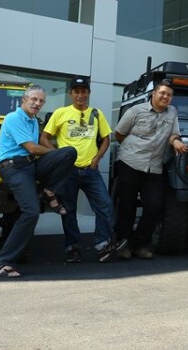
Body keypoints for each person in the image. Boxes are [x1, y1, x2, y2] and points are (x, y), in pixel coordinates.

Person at [41, 76, 128, 263]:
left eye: (84, 91)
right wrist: (58, 157)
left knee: (104, 205)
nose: (80, 95)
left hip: (91, 170)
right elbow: (44, 138)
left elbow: (106, 138)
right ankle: (72, 247)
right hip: (69, 172)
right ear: (70, 93)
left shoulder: (97, 114)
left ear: (88, 93)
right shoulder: (60, 113)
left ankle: (102, 244)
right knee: (69, 210)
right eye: (76, 91)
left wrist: (97, 159)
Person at [0, 86, 77, 278]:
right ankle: (3, 263)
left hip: (30, 166)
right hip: (13, 167)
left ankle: (50, 191)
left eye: (41, 101)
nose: (37, 104)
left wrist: (57, 156)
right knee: (30, 212)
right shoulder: (14, 118)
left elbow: (38, 149)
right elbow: (32, 148)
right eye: (34, 100)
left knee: (69, 153)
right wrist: (54, 153)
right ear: (24, 99)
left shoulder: (32, 121)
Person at [113, 79, 188, 259]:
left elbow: (173, 134)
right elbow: (119, 133)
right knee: (127, 205)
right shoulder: (135, 111)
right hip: (129, 163)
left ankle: (139, 245)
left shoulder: (172, 112)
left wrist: (176, 141)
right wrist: (134, 150)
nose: (165, 97)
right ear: (153, 94)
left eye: (169, 95)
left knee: (154, 206)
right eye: (162, 93)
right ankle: (122, 244)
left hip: (154, 167)